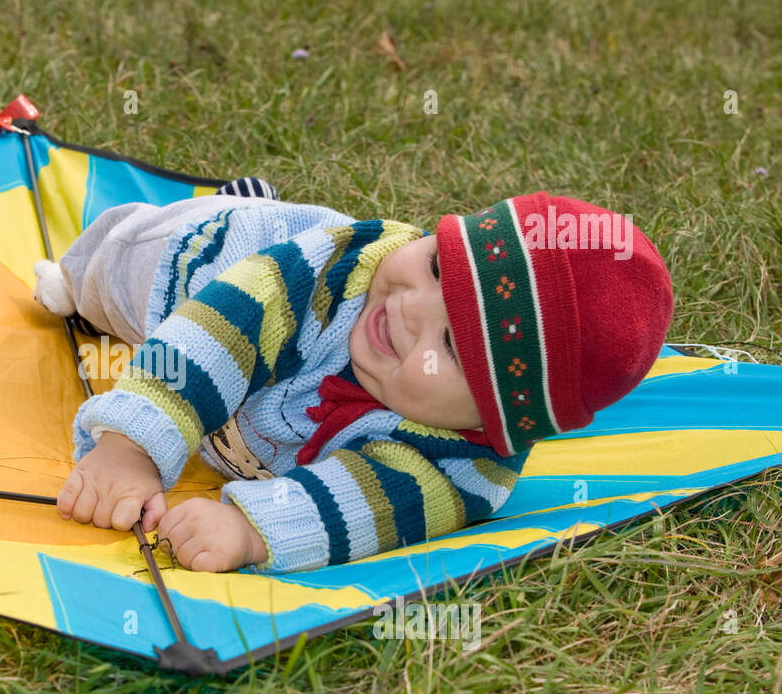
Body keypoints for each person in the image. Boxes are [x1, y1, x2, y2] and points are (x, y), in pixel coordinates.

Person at [33, 183, 674, 574]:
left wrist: (254, 532)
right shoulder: (334, 277)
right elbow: (213, 338)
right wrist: (130, 449)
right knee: (114, 274)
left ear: (492, 422)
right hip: (207, 271)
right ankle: (78, 268)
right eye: (436, 268)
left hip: (247, 426)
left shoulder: (466, 468)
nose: (405, 308)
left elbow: (363, 507)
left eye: (450, 344)